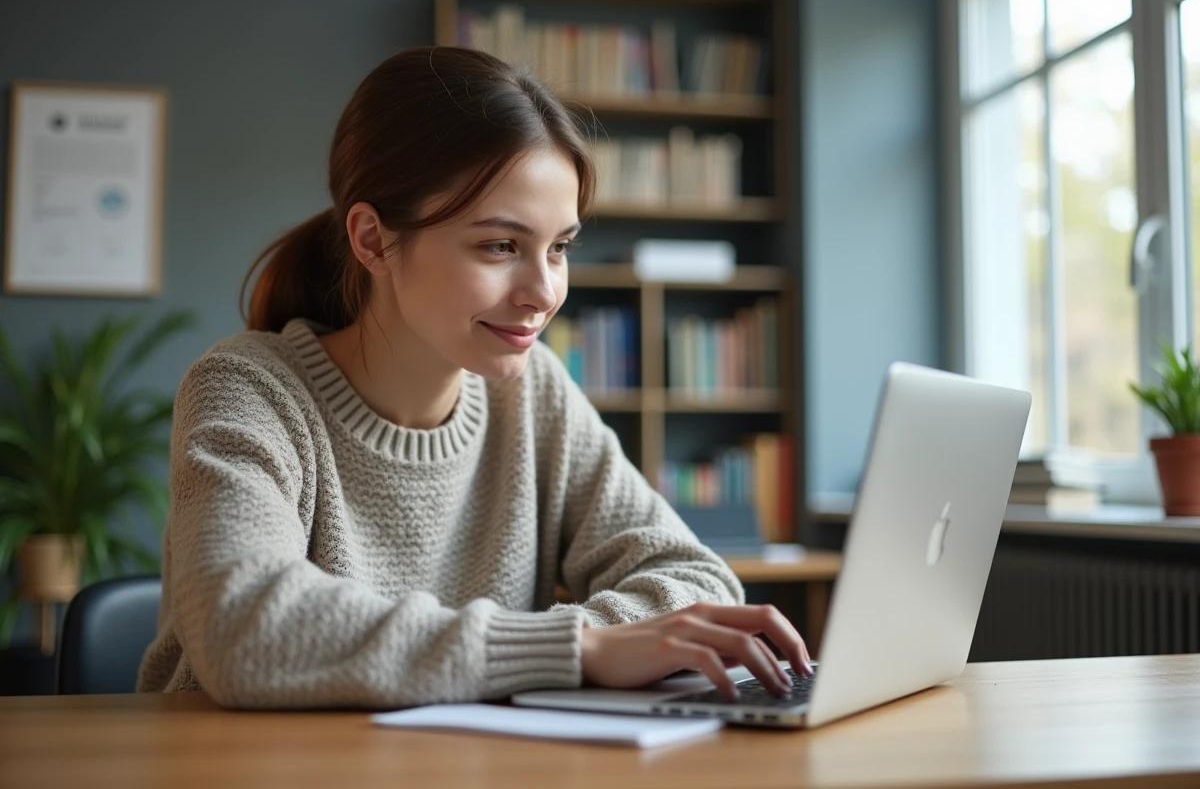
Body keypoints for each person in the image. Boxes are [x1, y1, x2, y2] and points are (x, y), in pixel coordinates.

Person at [137, 46, 811, 710]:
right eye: (500, 246)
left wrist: (593, 642)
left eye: (560, 247)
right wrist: (578, 648)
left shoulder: (533, 393)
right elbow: (247, 630)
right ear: (373, 240)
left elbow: (696, 580)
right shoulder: (247, 388)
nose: (543, 292)